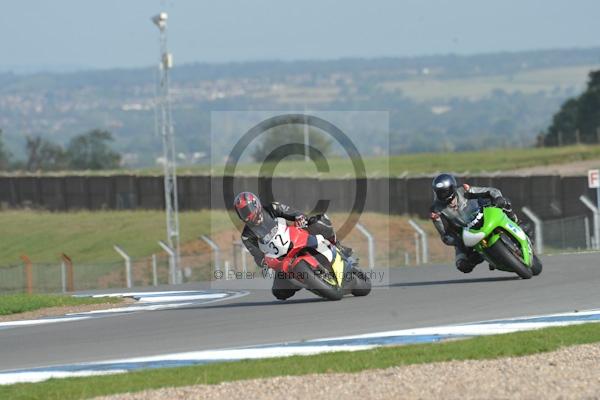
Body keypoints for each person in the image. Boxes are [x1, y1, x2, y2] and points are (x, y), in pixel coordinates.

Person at [233, 191, 352, 300]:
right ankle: (311, 283)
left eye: (247, 209)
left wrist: (299, 217)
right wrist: (264, 262)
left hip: (294, 236)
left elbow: (292, 212)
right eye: (242, 212)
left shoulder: (272, 208)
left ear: (255, 204)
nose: (246, 214)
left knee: (318, 222)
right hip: (281, 259)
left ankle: (337, 245)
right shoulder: (247, 236)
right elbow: (257, 256)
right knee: (279, 293)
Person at [429, 173, 529, 274]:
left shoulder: (464, 191)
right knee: (462, 265)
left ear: (452, 188)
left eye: (444, 192)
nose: (442, 195)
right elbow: (445, 235)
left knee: (505, 202)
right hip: (466, 234)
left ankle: (516, 222)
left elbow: (492, 191)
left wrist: (497, 198)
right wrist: (458, 240)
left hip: (483, 216)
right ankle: (485, 256)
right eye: (439, 192)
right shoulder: (436, 210)